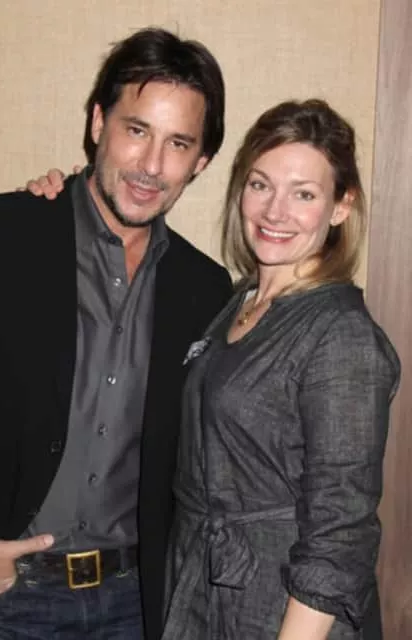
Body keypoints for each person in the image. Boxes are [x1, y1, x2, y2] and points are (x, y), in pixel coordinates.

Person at [0, 28, 232, 640]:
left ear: (201, 162)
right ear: (98, 122)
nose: (152, 165)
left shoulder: (206, 288)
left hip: (135, 606)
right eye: (137, 130)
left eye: (178, 144)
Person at [155, 99, 399, 639]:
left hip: (282, 610)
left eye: (303, 194)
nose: (274, 211)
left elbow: (341, 531)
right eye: (261, 185)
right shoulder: (237, 303)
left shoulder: (341, 335)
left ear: (341, 206)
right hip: (205, 590)